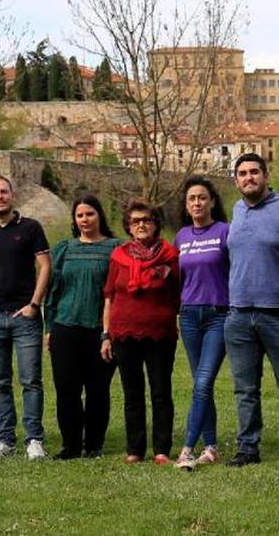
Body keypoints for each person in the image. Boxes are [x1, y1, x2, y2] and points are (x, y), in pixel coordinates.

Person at [224, 152, 279, 467]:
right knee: (244, 388)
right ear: (236, 180)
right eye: (243, 173)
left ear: (265, 175)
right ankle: (248, 448)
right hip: (238, 314)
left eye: (254, 172)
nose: (249, 178)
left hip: (277, 311)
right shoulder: (236, 210)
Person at [0, 175, 52, 460]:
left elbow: (44, 267)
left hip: (24, 317)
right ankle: (5, 440)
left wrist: (34, 304)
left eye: (3, 191)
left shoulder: (30, 228)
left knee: (31, 380)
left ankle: (33, 440)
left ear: (12, 195)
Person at [100, 199, 181, 465]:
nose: (141, 225)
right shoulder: (118, 257)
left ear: (155, 224)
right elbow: (109, 296)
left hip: (160, 332)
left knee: (160, 391)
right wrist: (105, 334)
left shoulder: (169, 255)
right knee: (132, 393)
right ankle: (135, 449)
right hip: (123, 333)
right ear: (128, 226)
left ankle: (161, 449)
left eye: (146, 219)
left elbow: (176, 292)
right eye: (135, 221)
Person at [46, 195, 121, 460]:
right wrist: (49, 327)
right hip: (65, 328)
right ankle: (70, 445)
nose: (85, 219)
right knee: (66, 389)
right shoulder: (64, 249)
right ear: (74, 220)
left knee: (97, 390)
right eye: (80, 215)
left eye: (89, 214)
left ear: (99, 215)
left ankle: (93, 445)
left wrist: (109, 333)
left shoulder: (116, 249)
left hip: (100, 331)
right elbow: (53, 291)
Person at [173, 176, 230, 470]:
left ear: (212, 202)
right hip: (190, 316)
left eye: (202, 197)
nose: (197, 202)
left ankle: (186, 449)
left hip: (218, 315)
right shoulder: (181, 237)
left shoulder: (224, 232)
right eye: (192, 198)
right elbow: (176, 279)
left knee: (204, 381)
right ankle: (210, 446)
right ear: (186, 205)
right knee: (200, 384)